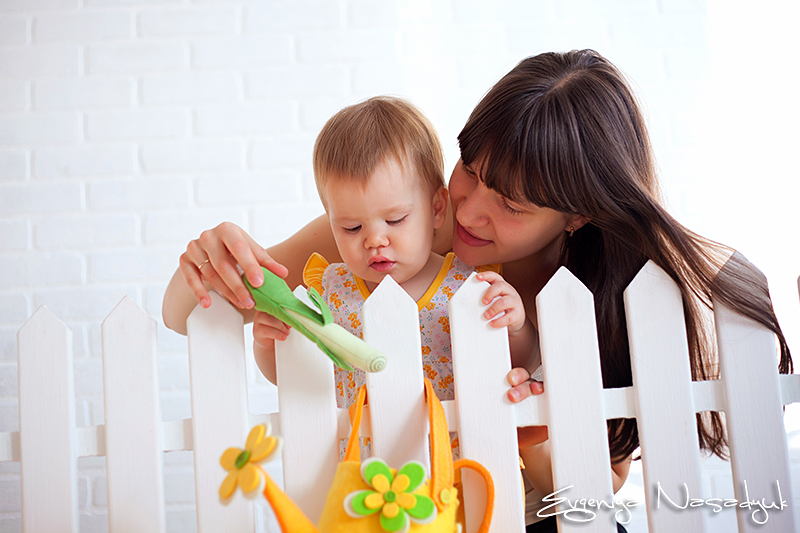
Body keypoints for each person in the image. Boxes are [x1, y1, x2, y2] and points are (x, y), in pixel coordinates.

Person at [162, 50, 792, 532]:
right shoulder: (394, 233)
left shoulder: (602, 297)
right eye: (469, 167)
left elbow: (590, 489)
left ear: (576, 215)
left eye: (510, 204)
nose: (467, 209)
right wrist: (210, 258)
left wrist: (525, 425)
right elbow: (178, 312)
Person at [253, 95, 535, 407]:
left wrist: (516, 330)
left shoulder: (468, 286)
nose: (374, 240)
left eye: (395, 220)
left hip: (453, 438)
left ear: (437, 209)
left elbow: (517, 363)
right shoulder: (331, 293)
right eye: (352, 227)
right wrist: (268, 346)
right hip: (360, 439)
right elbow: (296, 376)